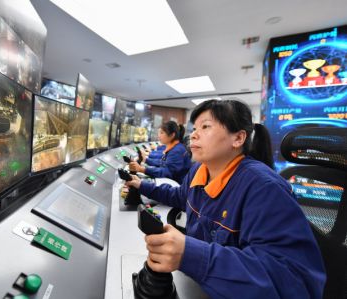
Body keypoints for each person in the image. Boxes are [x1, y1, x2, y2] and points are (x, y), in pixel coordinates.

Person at [126, 99, 325, 299]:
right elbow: (180, 196)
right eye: (194, 128)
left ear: (238, 138)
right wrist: (142, 185)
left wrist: (192, 255)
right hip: (202, 285)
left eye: (205, 127)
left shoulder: (264, 189)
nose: (193, 134)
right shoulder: (199, 169)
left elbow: (293, 282)